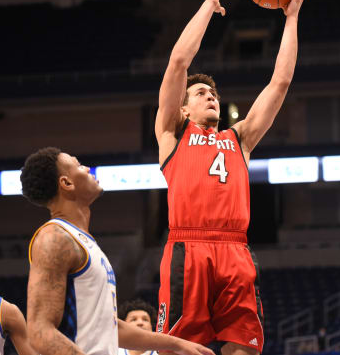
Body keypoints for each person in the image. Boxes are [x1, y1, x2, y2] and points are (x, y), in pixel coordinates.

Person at [154, 0, 306, 355]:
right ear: (184, 109)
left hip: (235, 250)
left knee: (246, 349)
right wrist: (209, 4)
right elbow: (177, 64)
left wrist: (291, 18)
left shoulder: (239, 139)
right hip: (188, 248)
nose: (211, 97)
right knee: (179, 349)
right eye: (202, 93)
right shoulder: (172, 135)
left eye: (214, 94)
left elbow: (280, 83)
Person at [20, 147, 215, 355]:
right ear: (66, 183)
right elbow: (39, 331)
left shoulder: (85, 242)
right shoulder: (55, 237)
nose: (87, 169)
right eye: (78, 165)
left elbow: (111, 327)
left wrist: (176, 343)